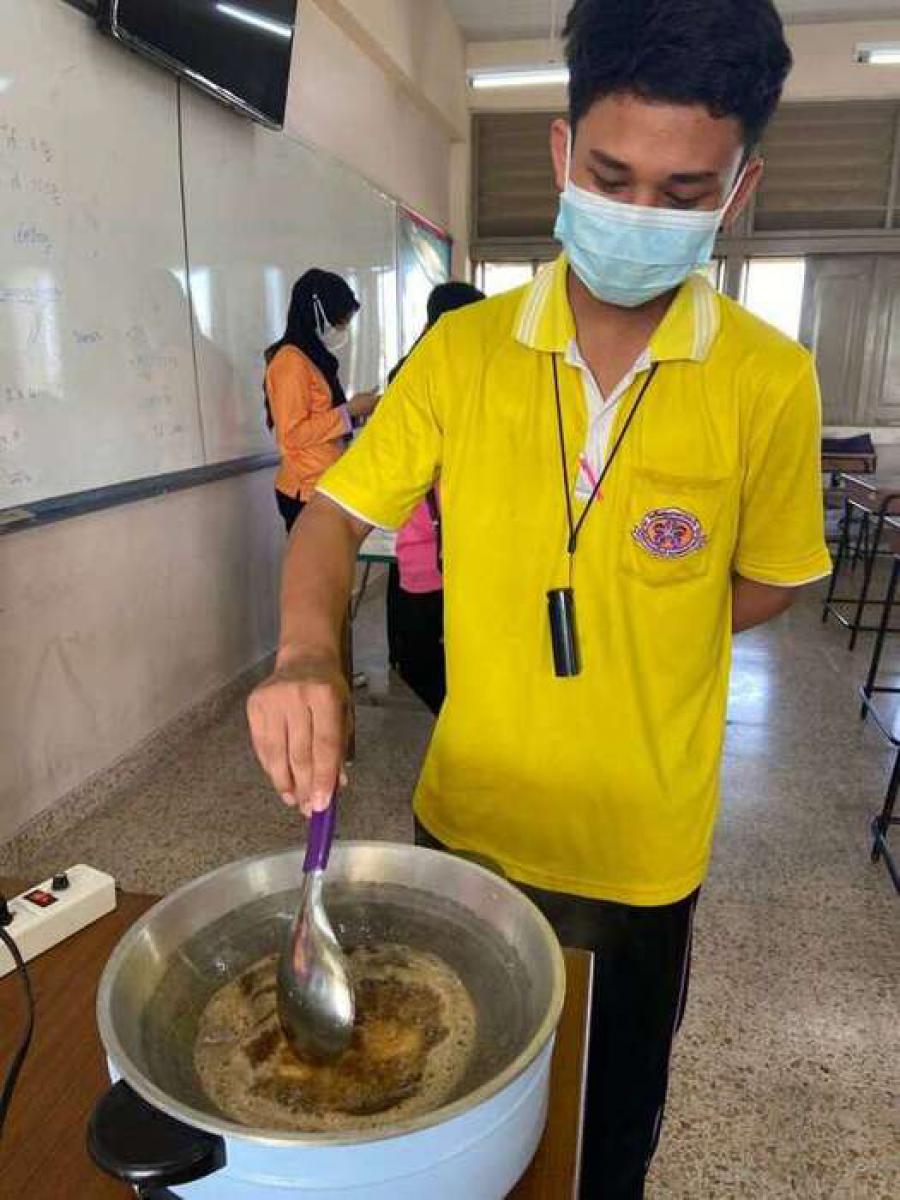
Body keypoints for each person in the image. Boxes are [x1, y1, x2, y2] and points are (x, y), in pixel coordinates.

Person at [246, 1, 832, 1195]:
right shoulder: (464, 356)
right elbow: (334, 516)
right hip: (467, 825)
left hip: (639, 854)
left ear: (739, 190)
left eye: (685, 192)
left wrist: (650, 620)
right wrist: (306, 650)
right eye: (613, 178)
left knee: (604, 1142)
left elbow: (770, 579)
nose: (642, 212)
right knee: (446, 1114)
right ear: (563, 155)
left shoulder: (770, 379)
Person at [386, 282, 485, 714]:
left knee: (428, 658)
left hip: (433, 546)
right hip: (443, 546)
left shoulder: (410, 370)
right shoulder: (435, 377)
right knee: (441, 662)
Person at [265, 269, 378, 534]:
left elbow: (322, 419)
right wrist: (348, 412)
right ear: (317, 313)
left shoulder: (313, 358)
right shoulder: (290, 362)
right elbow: (293, 435)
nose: (342, 329)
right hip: (304, 490)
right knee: (312, 562)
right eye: (339, 321)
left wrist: (357, 412)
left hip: (324, 485)